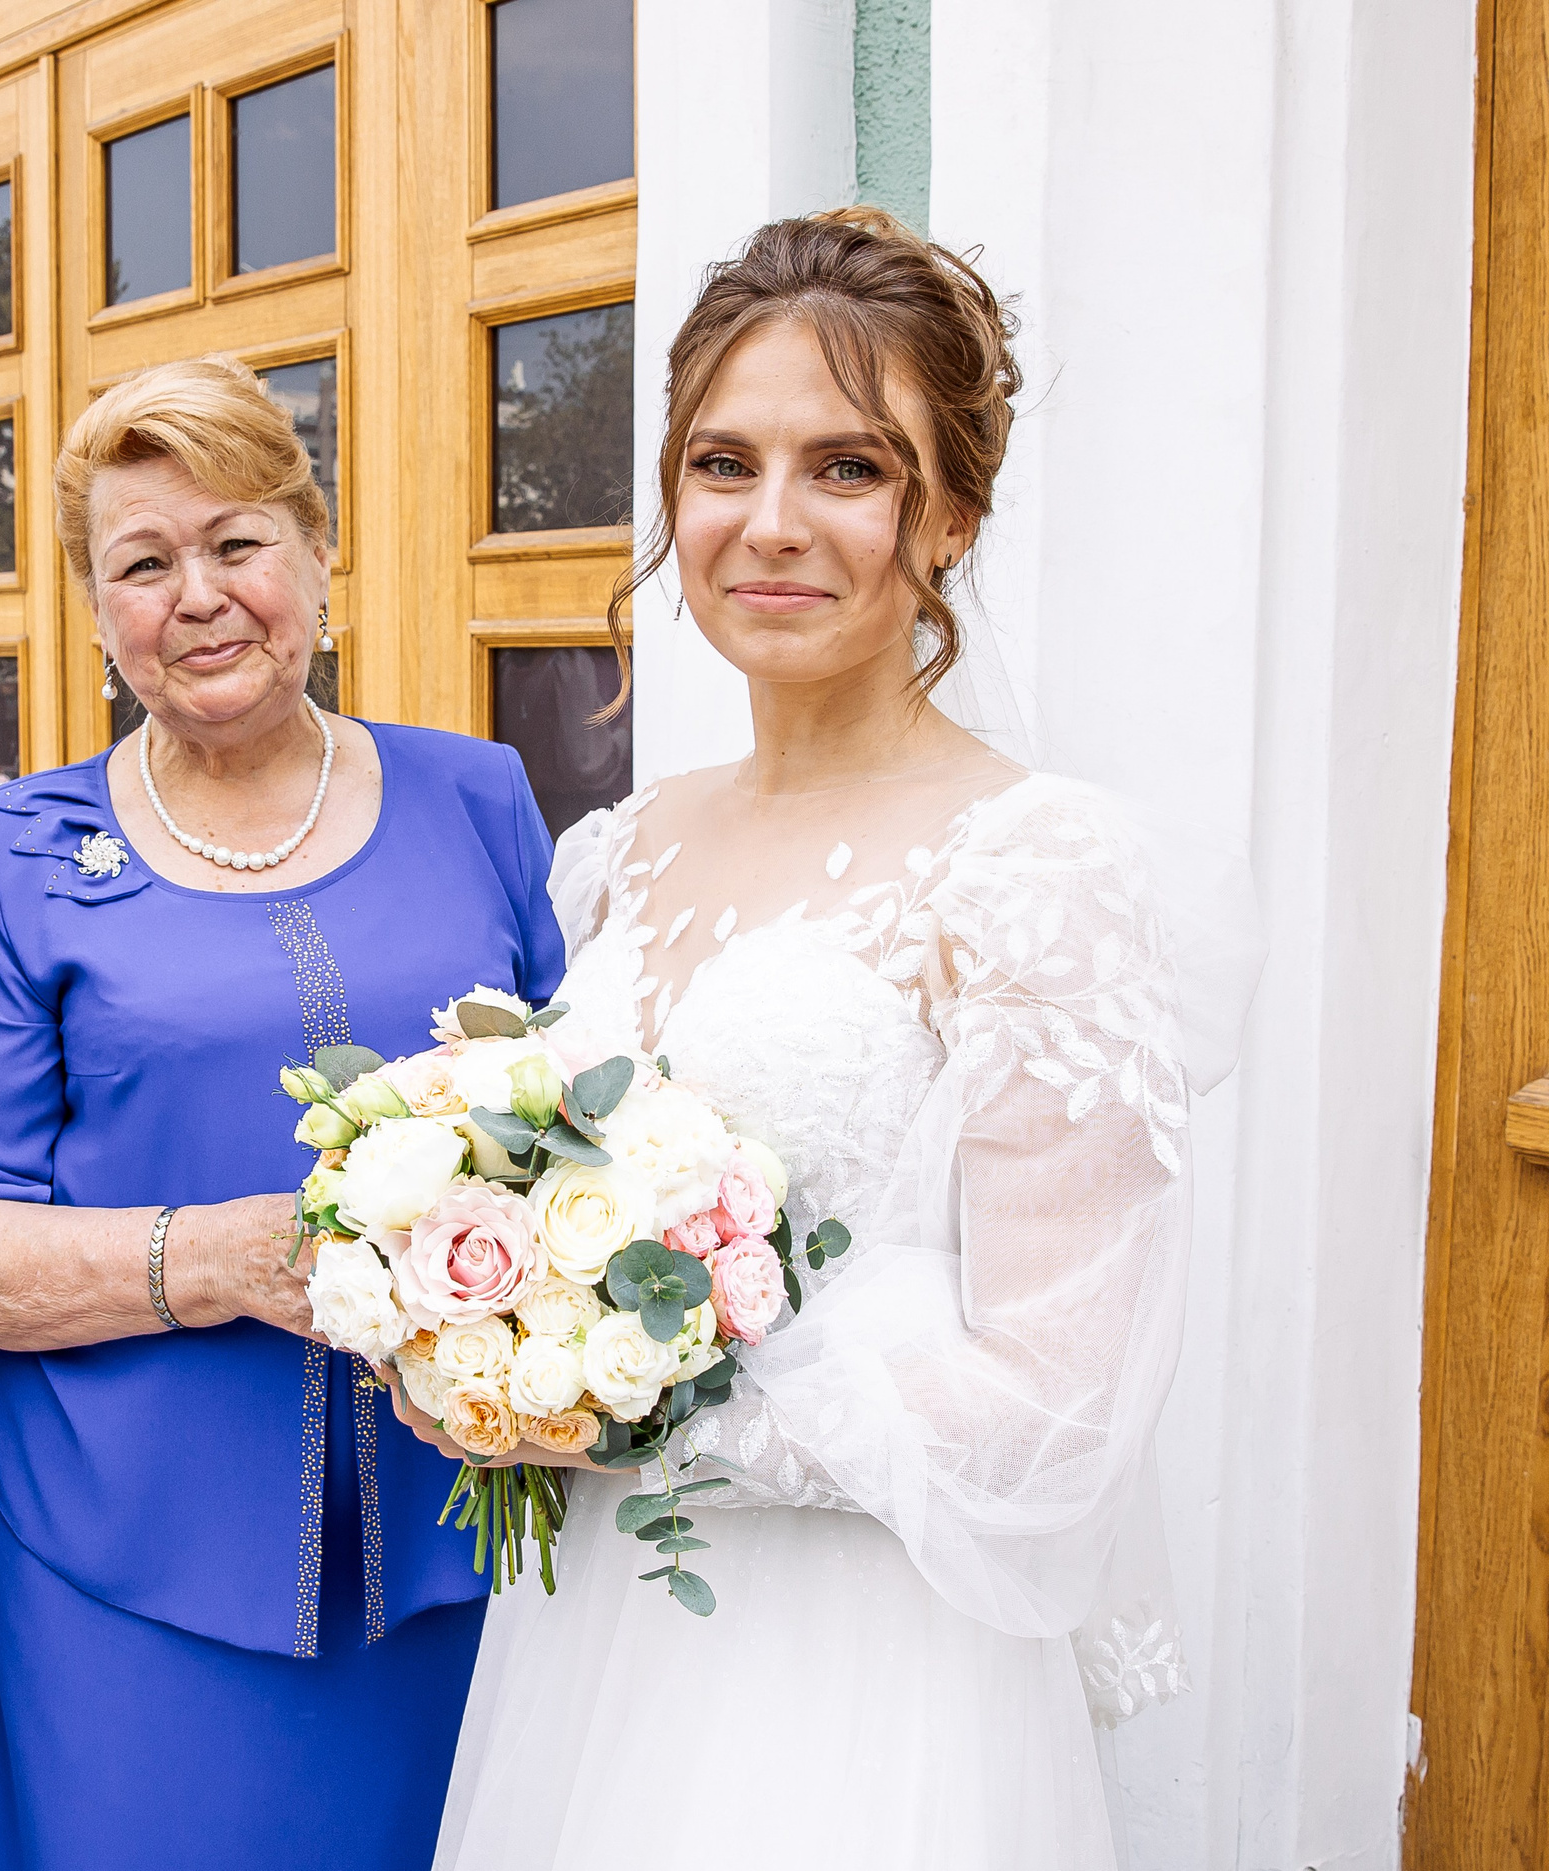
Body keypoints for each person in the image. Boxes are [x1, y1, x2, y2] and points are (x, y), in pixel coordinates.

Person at [429, 209, 1256, 1869]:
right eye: (723, 464)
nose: (770, 524)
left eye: (850, 469)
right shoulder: (619, 853)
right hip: (601, 1646)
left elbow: (1058, 1401)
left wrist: (611, 1406)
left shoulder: (1035, 870)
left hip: (869, 1671)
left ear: (947, 516)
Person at [0, 355, 567, 1869]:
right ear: (97, 608)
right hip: (121, 1551)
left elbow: (575, 1133)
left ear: (319, 552)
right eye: (142, 564)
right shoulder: (13, 856)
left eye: (239, 542)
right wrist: (216, 1260)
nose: (199, 596)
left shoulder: (480, 798)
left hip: (459, 1526)